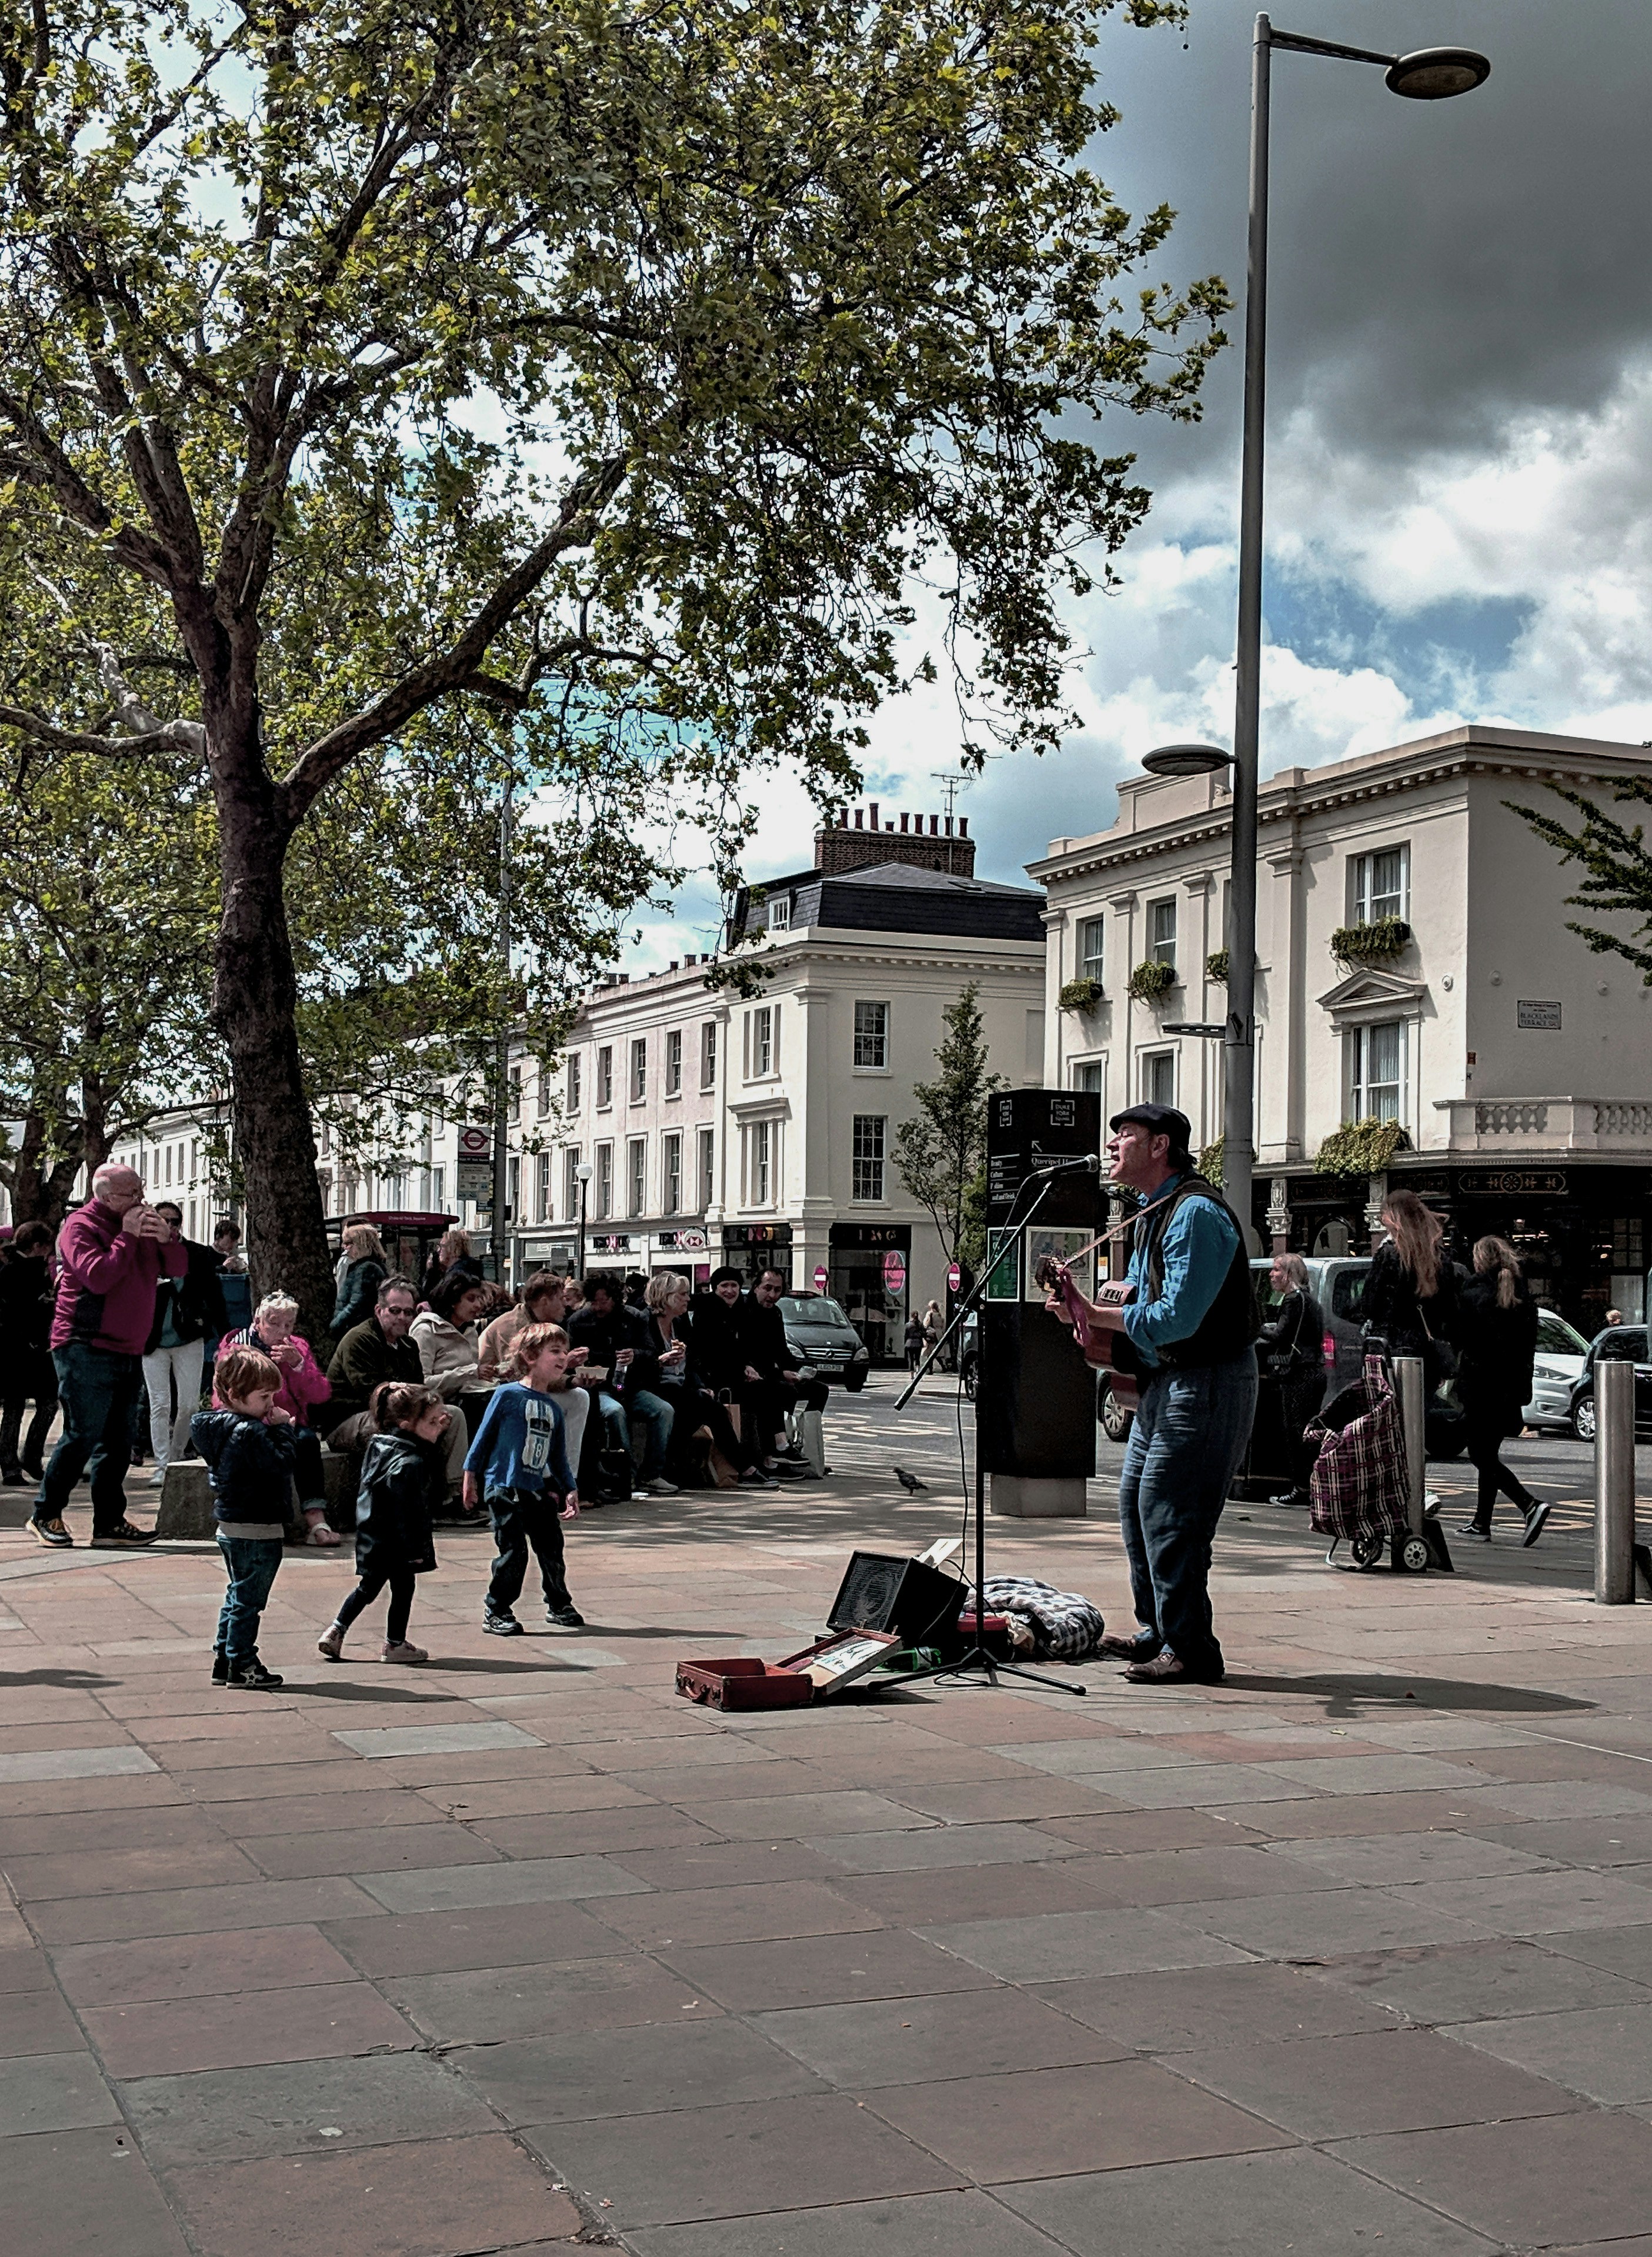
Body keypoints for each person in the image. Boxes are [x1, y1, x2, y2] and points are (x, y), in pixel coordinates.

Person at [1052, 1105, 1257, 1685]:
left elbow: (1176, 1319)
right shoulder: (1153, 1211)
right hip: (1171, 1379)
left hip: (1206, 1378)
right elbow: (1139, 1304)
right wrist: (1088, 1317)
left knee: (1172, 1516)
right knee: (1138, 1510)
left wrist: (1098, 1314)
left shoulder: (1193, 1213)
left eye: (1126, 1136)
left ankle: (1190, 1648)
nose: (1113, 1144)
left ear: (1160, 1145)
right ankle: (1161, 1631)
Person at [31, 1165, 185, 1549]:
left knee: (119, 1440)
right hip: (85, 1343)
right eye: (130, 1193)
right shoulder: (80, 1227)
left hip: (129, 1346)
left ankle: (110, 1522)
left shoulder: (142, 1222)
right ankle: (45, 1512)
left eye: (141, 1190)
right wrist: (128, 1237)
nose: (140, 1200)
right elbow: (99, 1276)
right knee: (83, 1432)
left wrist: (167, 1238)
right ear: (105, 1195)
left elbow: (179, 1268)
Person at [463, 1322, 583, 1633]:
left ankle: (558, 1603)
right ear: (530, 1356)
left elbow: (558, 1458)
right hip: (504, 1487)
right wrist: (470, 1477)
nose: (563, 1357)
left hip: (536, 1490)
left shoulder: (554, 1409)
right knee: (514, 1551)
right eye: (554, 1351)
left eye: (564, 1351)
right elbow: (483, 1439)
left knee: (551, 1546)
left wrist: (569, 1488)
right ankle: (497, 1608)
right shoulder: (506, 1396)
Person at [318, 1381, 448, 1663]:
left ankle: (336, 1630)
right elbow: (408, 1512)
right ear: (406, 1424)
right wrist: (415, 1550)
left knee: (368, 1588)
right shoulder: (412, 1462)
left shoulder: (379, 1444)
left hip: (372, 1537)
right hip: (399, 1543)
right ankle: (395, 1644)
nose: (441, 1424)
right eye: (433, 1421)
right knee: (403, 1590)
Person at [192, 1344, 293, 1689]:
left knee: (237, 1595)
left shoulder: (218, 1428)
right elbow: (280, 1466)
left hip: (232, 1524)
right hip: (256, 1527)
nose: (270, 1405)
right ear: (235, 1395)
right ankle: (242, 1662)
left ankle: (225, 1658)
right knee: (249, 1601)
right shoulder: (250, 1431)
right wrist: (283, 1431)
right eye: (264, 1396)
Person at [326, 1277, 472, 1498]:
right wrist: (416, 1414)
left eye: (408, 1312)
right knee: (402, 1424)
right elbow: (373, 1393)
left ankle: (453, 1495)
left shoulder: (409, 1344)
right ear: (379, 1310)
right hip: (350, 1417)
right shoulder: (360, 1340)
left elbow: (420, 1389)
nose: (402, 1318)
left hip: (401, 1409)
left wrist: (429, 1413)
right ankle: (396, 1498)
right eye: (395, 1311)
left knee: (453, 1415)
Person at [220, 1291, 336, 1545]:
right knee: (256, 1443)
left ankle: (316, 1520)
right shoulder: (237, 1348)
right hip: (248, 1422)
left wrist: (298, 1366)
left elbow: (321, 1394)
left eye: (288, 1325)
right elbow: (223, 1397)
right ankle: (263, 1522)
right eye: (274, 1323)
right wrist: (264, 1418)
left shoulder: (298, 1347)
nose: (282, 1332)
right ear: (258, 1321)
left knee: (306, 1441)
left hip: (290, 1423)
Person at [1456, 1235, 1548, 1547]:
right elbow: (1527, 1350)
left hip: (1481, 1387)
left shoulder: (1473, 1293)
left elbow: (1462, 1338)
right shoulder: (1522, 1295)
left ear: (1479, 1260)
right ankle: (1482, 1523)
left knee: (1480, 1454)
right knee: (1488, 1454)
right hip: (1510, 1389)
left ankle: (1529, 1504)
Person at [642, 1271, 765, 1485]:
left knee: (702, 1407)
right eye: (683, 1294)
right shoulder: (645, 1322)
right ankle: (744, 1467)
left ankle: (673, 1466)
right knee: (710, 1408)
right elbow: (640, 1360)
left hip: (679, 1385)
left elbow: (691, 1361)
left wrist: (699, 1384)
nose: (688, 1299)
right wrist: (661, 1360)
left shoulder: (679, 1324)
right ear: (667, 1296)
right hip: (655, 1385)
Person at [141, 1201, 227, 1486]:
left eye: (175, 1221)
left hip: (189, 1336)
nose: (169, 1226)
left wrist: (226, 1335)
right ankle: (162, 1464)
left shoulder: (197, 1254)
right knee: (160, 1404)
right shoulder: (140, 1253)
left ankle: (176, 1456)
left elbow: (214, 1295)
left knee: (189, 1405)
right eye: (162, 1220)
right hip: (152, 1340)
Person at [569, 1272, 678, 1496]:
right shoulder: (579, 1321)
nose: (599, 1307)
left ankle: (652, 1473)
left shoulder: (635, 1318)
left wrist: (635, 1355)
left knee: (664, 1411)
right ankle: (625, 1476)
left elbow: (652, 1353)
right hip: (599, 1388)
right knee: (615, 1412)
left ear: (615, 1299)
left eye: (604, 1301)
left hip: (630, 1386)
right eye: (594, 1302)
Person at [478, 1271, 592, 1465]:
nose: (565, 1304)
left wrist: (572, 1378)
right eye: (560, 1298)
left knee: (580, 1396)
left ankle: (568, 1474)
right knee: (545, 1403)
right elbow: (519, 1375)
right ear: (545, 1301)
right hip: (497, 1392)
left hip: (530, 1388)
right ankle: (541, 1476)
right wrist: (564, 1366)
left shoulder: (545, 1326)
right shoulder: (511, 1326)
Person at [1362, 1190, 1460, 1383]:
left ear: (1396, 1216)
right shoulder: (1440, 1257)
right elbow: (1449, 1308)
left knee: (1391, 1409)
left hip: (1392, 1348)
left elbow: (1370, 1303)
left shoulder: (1389, 1254)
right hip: (1427, 1348)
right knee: (1422, 1408)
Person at [1258, 1252, 1327, 1507]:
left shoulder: (1292, 1301)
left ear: (1289, 1275)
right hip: (1313, 1372)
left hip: (1300, 1373)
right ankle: (1312, 1487)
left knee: (1297, 1432)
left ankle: (1301, 1489)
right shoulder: (1308, 1300)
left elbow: (1280, 1335)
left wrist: (1254, 1326)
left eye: (1276, 1270)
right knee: (1307, 1431)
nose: (1271, 1275)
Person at [743, 1267, 830, 1471]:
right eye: (768, 1288)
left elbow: (781, 1352)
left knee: (818, 1390)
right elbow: (750, 1356)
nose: (773, 1295)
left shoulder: (775, 1314)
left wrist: (801, 1371)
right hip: (751, 1376)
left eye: (778, 1290)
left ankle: (808, 1449)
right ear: (756, 1287)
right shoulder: (746, 1312)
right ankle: (777, 1450)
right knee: (781, 1390)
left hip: (772, 1374)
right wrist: (781, 1374)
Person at [1, 1221, 58, 1487]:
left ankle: (32, 1458)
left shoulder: (41, 1272)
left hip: (41, 1350)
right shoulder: (10, 1273)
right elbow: (11, 1314)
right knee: (14, 1407)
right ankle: (10, 1464)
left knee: (48, 1405)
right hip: (16, 1350)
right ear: (37, 1246)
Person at [411, 1271, 486, 1398]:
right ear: (453, 1300)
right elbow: (421, 1384)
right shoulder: (426, 1330)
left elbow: (472, 1378)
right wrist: (470, 1373)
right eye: (471, 1299)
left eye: (480, 1299)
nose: (478, 1305)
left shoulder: (470, 1331)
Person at [331, 1223, 389, 1341]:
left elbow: (356, 1304)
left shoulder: (365, 1269)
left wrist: (336, 1324)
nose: (345, 1247)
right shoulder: (374, 1265)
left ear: (361, 1244)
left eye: (349, 1244)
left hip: (353, 1331)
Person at [420, 1226, 481, 1303]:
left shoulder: (456, 1275)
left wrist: (430, 1273)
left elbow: (435, 1299)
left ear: (453, 1249)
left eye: (442, 1246)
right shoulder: (466, 1269)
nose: (439, 1251)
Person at [904, 1310, 927, 1374]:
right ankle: (918, 1371)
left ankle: (911, 1373)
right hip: (918, 1343)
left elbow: (906, 1335)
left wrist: (906, 1343)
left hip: (910, 1343)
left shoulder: (908, 1325)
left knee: (911, 1358)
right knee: (917, 1358)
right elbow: (924, 1334)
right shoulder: (920, 1324)